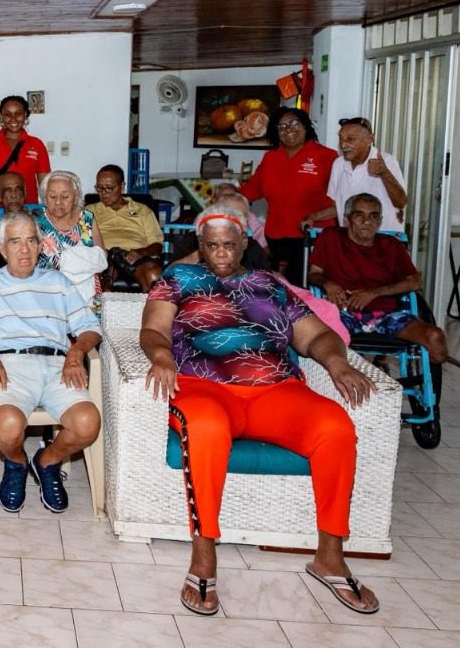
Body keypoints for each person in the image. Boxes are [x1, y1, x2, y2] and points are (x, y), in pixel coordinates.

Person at [140, 201, 379, 616]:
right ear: (200, 243)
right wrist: (162, 357)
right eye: (211, 245)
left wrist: (337, 363)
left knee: (334, 425)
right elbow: (153, 329)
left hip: (275, 391)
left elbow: (315, 336)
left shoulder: (270, 283)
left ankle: (330, 555)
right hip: (204, 387)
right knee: (206, 427)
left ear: (244, 242)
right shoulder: (178, 277)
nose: (220, 254)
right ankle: (204, 556)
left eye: (229, 245)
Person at [0, 210, 103, 514]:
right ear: (2, 248)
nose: (24, 249)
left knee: (88, 424)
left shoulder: (59, 282)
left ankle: (47, 461)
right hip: (9, 367)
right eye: (15, 242)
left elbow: (90, 327)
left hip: (58, 365)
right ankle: (16, 463)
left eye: (31, 240)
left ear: (41, 245)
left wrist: (76, 352)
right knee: (7, 426)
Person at [308, 193, 447, 364]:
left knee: (435, 337)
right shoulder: (331, 237)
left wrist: (373, 293)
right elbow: (314, 274)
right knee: (324, 340)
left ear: (380, 220)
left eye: (373, 216)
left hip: (388, 315)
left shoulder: (392, 245)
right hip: (342, 313)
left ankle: (422, 387)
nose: (367, 222)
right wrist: (328, 284)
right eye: (359, 215)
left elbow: (415, 281)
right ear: (347, 219)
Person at [238, 107, 338, 285]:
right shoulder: (271, 158)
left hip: (312, 238)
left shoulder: (327, 156)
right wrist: (228, 198)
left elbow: (344, 202)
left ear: (306, 126)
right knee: (278, 290)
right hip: (276, 239)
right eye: (281, 126)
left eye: (294, 123)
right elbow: (250, 191)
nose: (288, 130)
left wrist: (315, 217)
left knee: (302, 290)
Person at [320, 117, 408, 234]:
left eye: (350, 139)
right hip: (351, 240)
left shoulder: (387, 161)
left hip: (384, 238)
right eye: (341, 138)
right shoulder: (339, 164)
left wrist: (384, 173)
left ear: (369, 139)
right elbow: (338, 206)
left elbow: (401, 202)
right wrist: (313, 217)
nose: (343, 144)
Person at [85, 165, 164, 291]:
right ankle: (106, 308)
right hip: (104, 256)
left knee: (153, 274)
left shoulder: (142, 210)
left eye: (109, 188)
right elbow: (82, 240)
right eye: (99, 188)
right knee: (100, 278)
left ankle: (148, 310)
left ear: (122, 187)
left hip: (135, 256)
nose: (103, 193)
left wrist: (140, 252)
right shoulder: (90, 211)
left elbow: (157, 245)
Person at [0, 95, 51, 212]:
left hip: (28, 212)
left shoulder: (37, 145)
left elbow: (45, 187)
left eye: (18, 113)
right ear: (1, 117)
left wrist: (46, 217)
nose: (13, 118)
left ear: (25, 115)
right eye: (7, 114)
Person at [35, 170, 104, 272]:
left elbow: (101, 257)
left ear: (75, 197)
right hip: (47, 283)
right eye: (52, 196)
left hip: (84, 280)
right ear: (45, 197)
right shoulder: (35, 220)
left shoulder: (87, 219)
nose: (58, 202)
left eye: (65, 197)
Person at [0, 171, 43, 258]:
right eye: (8, 191)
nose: (13, 195)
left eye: (18, 190)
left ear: (25, 194)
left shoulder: (39, 211)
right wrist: (6, 246)